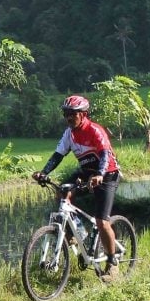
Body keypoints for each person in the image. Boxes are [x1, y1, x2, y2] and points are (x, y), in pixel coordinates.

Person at [32, 95, 122, 281]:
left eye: (72, 114)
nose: (69, 118)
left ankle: (112, 264)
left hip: (107, 174)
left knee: (102, 221)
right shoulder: (69, 134)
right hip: (87, 173)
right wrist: (44, 172)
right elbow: (57, 155)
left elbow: (105, 154)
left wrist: (100, 174)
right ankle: (74, 233)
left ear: (84, 114)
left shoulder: (95, 130)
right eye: (66, 114)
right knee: (62, 193)